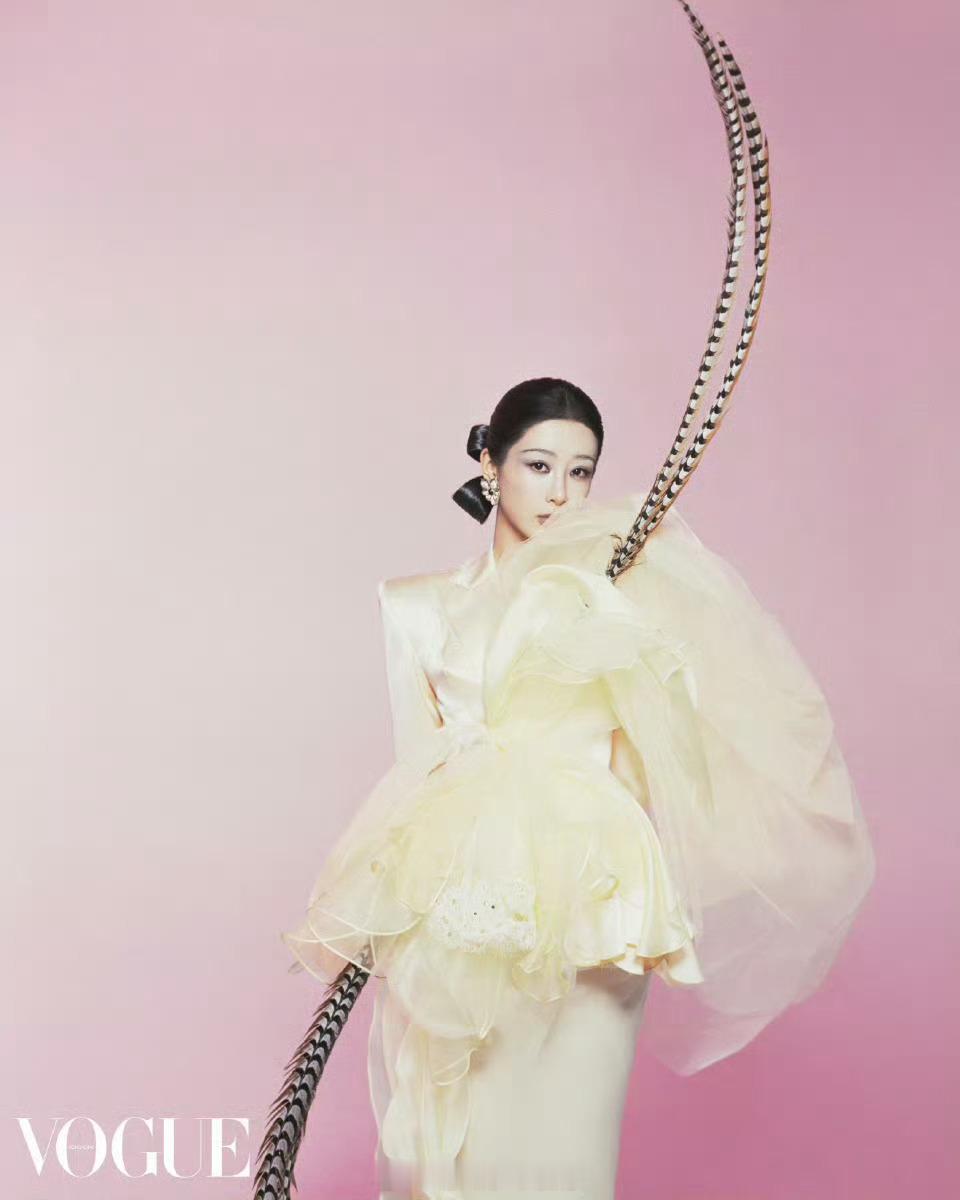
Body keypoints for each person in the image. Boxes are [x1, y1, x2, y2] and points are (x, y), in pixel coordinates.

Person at [282, 377, 875, 1200]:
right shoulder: (416, 606)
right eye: (538, 465)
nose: (560, 493)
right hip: (466, 901)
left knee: (568, 1152)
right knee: (455, 1147)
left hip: (596, 900)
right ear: (490, 465)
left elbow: (646, 759)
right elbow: (421, 768)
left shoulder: (620, 595)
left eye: (581, 471)